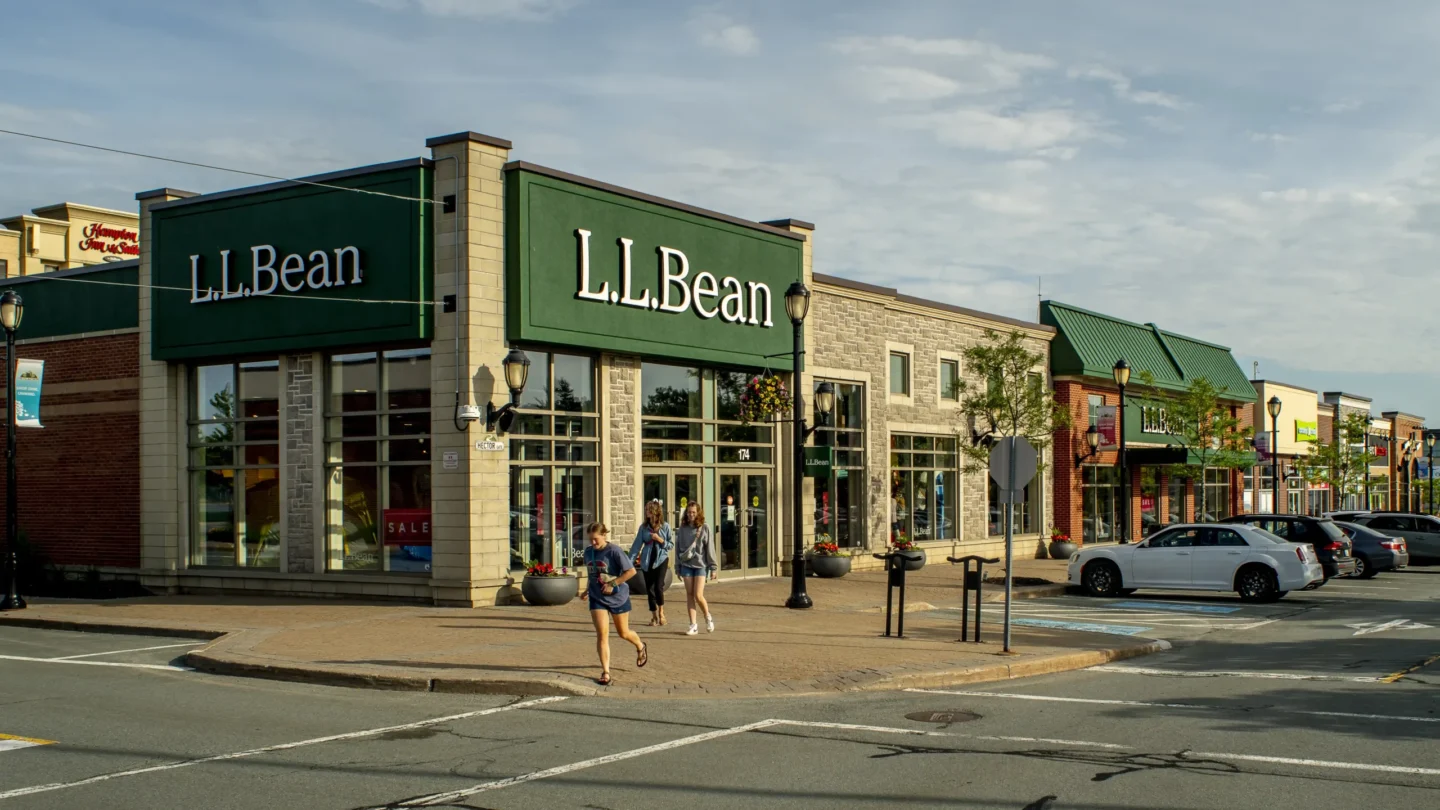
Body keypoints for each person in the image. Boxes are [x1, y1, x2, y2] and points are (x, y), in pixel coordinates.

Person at [582, 521, 647, 686]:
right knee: (602, 635)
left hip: (618, 598)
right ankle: (606, 671)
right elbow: (593, 574)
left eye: (596, 539)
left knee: (623, 632)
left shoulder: (614, 551)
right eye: (590, 539)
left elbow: (631, 571)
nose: (593, 543)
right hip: (597, 598)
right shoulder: (589, 552)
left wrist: (614, 584)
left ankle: (640, 645)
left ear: (604, 535)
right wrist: (587, 589)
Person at [674, 501, 718, 635]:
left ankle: (707, 616)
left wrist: (713, 567)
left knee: (698, 595)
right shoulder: (682, 529)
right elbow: (678, 549)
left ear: (698, 513)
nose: (691, 514)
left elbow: (710, 547)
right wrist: (677, 567)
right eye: (689, 512)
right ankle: (693, 625)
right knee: (689, 595)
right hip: (686, 565)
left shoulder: (704, 528)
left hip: (700, 565)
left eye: (693, 512)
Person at [628, 499, 674, 627]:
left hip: (661, 559)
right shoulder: (644, 528)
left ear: (655, 511)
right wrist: (629, 563)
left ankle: (661, 614)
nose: (646, 512)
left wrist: (660, 539)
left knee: (659, 586)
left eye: (648, 509)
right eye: (645, 510)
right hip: (647, 561)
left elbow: (670, 545)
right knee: (650, 589)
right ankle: (653, 616)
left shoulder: (665, 527)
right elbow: (636, 546)